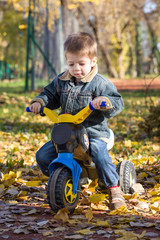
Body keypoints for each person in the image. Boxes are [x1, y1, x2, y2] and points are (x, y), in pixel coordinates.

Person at [29, 32, 126, 210]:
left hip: (94, 133)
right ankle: (62, 178)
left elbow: (118, 101)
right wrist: (39, 102)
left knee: (100, 156)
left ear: (93, 61)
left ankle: (113, 188)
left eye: (81, 64)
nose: (76, 69)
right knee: (43, 155)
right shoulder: (61, 80)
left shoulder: (100, 84)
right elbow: (49, 95)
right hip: (67, 134)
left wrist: (104, 102)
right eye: (71, 64)